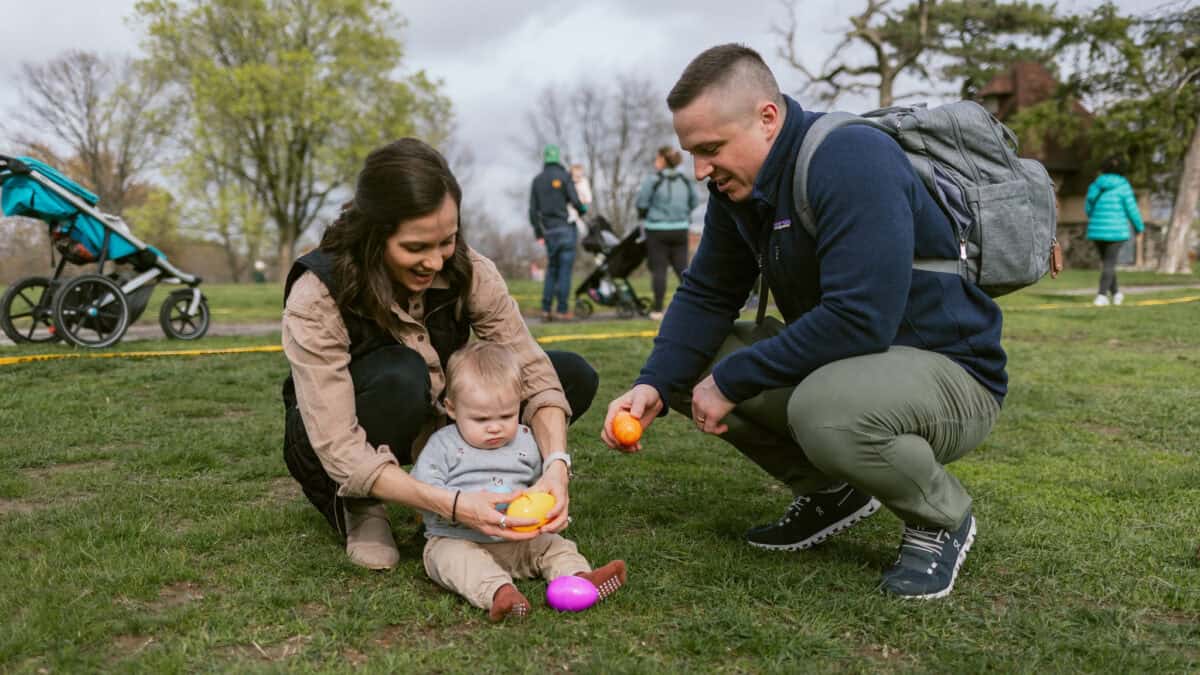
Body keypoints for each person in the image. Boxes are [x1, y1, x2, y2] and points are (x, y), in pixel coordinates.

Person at [600, 44, 1006, 599]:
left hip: (953, 372)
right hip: (857, 365)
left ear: (767, 118)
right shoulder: (737, 189)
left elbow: (860, 319)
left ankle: (940, 517)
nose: (700, 171)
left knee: (824, 410)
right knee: (694, 361)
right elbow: (707, 293)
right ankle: (833, 493)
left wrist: (731, 382)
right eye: (692, 153)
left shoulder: (852, 157)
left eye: (711, 149)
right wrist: (652, 383)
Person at [281, 138, 599, 571]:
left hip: (439, 408)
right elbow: (338, 443)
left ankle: (490, 471)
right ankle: (362, 505)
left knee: (571, 374)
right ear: (374, 236)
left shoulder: (470, 268)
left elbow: (533, 370)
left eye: (446, 241)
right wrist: (450, 504)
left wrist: (556, 466)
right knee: (401, 375)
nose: (434, 262)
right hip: (347, 427)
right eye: (416, 248)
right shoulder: (317, 294)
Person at [412, 341, 627, 621]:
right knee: (453, 561)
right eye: (480, 419)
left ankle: (578, 578)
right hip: (459, 539)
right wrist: (457, 507)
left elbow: (542, 486)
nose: (495, 427)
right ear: (451, 409)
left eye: (506, 415)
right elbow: (422, 493)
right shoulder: (442, 445)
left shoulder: (526, 440)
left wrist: (550, 509)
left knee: (555, 546)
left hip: (520, 539)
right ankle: (500, 593)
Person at [636, 146, 699, 320]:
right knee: (683, 270)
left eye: (657, 158)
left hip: (656, 230)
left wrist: (647, 213)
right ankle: (696, 307)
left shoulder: (653, 180)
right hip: (680, 229)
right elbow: (694, 201)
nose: (655, 161)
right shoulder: (685, 180)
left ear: (663, 160)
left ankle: (657, 310)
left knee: (659, 270)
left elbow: (641, 202)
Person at [529, 144, 587, 321]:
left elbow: (532, 211)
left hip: (549, 232)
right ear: (557, 158)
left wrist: (539, 233)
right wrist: (582, 209)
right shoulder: (564, 176)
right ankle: (562, 310)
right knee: (564, 271)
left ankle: (546, 309)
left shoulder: (537, 180)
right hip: (566, 229)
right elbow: (575, 200)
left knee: (552, 270)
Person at [1085, 156, 1145, 306]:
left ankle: (1116, 293)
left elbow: (1088, 208)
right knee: (1109, 264)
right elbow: (1132, 209)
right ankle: (1102, 295)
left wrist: (1097, 218)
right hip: (1117, 231)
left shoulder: (1095, 185)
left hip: (1097, 230)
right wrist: (1139, 227)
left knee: (1107, 263)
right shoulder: (1123, 186)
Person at [568, 163, 594, 240]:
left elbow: (589, 198)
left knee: (582, 230)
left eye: (579, 176)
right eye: (575, 176)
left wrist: (582, 200)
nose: (577, 178)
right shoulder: (568, 183)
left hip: (581, 209)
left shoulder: (584, 183)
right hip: (570, 210)